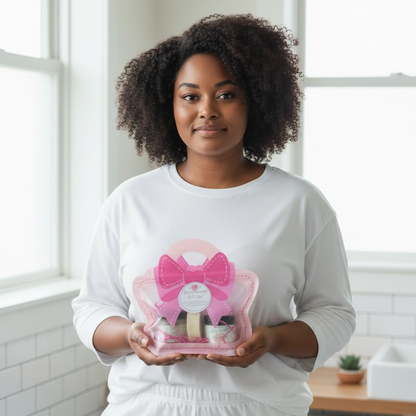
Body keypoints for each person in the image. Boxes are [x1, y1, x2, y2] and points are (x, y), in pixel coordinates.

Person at [72, 14, 356, 416]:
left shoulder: (300, 202)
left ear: (255, 100)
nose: (207, 111)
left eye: (226, 95)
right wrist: (130, 335)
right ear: (167, 104)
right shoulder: (130, 200)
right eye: (190, 96)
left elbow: (335, 315)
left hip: (258, 406)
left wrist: (270, 341)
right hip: (146, 405)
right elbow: (92, 308)